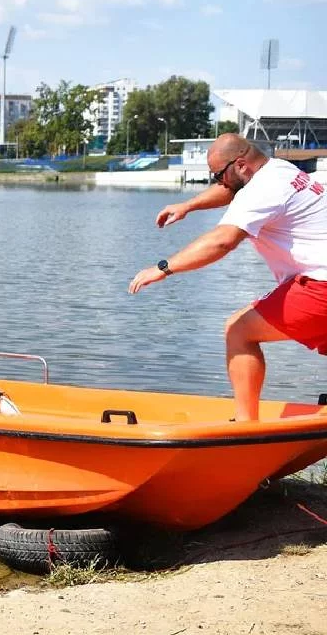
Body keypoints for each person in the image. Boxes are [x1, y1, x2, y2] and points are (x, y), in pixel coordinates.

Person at [128, 133, 327, 421]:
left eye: (219, 174)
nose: (217, 182)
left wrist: (162, 268)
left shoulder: (262, 191)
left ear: (242, 164)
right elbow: (231, 190)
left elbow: (221, 242)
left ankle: (246, 426)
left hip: (320, 285)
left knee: (239, 330)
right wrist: (188, 206)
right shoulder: (279, 170)